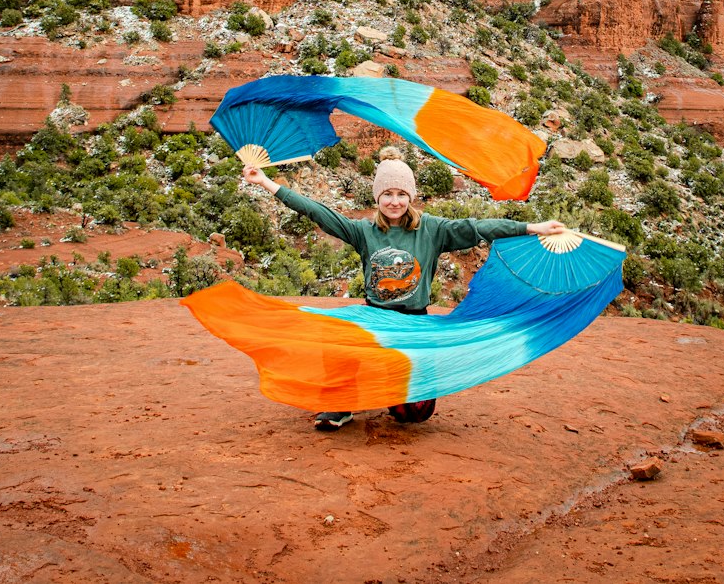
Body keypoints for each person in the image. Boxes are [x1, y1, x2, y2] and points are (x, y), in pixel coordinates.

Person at [242, 145, 567, 431]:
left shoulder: (433, 230)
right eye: (387, 194)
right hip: (376, 318)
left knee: (414, 415)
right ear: (377, 197)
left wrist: (531, 227)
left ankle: (393, 389)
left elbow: (478, 228)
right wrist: (267, 183)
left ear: (410, 196)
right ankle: (341, 403)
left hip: (414, 324)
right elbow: (318, 212)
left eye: (401, 194)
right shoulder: (364, 231)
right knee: (338, 337)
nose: (394, 201)